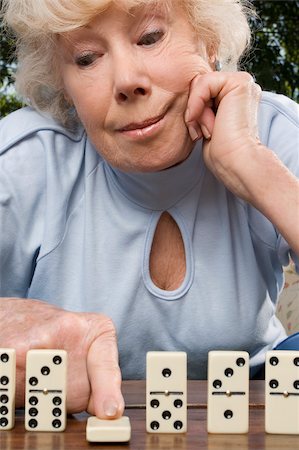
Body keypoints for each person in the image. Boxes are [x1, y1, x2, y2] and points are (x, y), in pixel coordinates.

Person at [0, 0, 298, 421]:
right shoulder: (20, 160)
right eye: (86, 59)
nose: (127, 81)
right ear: (64, 84)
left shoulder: (269, 132)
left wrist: (252, 165)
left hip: (256, 396)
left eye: (151, 37)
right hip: (73, 421)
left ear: (208, 42)